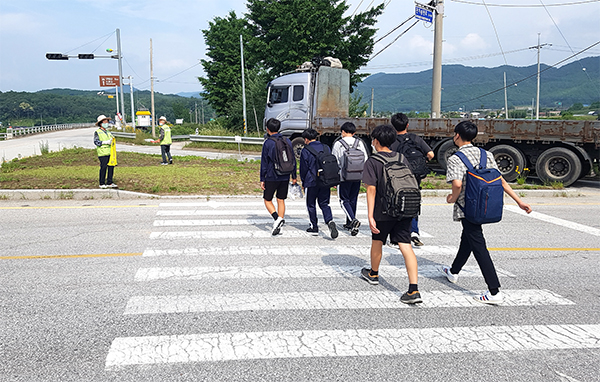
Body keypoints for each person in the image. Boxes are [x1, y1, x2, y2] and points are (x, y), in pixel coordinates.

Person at [443, 121, 532, 304]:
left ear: (457, 135)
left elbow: (457, 184)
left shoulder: (455, 158)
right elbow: (500, 180)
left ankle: (494, 291)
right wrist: (519, 201)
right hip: (484, 205)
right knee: (468, 239)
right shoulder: (487, 155)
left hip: (467, 208)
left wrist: (452, 198)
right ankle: (453, 271)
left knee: (478, 245)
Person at [360, 124, 422, 304]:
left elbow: (371, 190)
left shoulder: (373, 161)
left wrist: (370, 215)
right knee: (405, 245)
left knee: (377, 241)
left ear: (376, 141)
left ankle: (373, 273)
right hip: (404, 209)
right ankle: (413, 289)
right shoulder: (401, 157)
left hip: (383, 211)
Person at [390, 112, 434, 246]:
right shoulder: (415, 138)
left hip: (398, 177)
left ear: (393, 126)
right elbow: (431, 154)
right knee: (413, 202)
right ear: (407, 125)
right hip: (415, 177)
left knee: (397, 204)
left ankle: (398, 235)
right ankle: (414, 231)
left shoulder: (391, 141)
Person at [260, 118, 297, 235]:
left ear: (267, 128)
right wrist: (294, 175)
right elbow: (293, 159)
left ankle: (277, 219)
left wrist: (262, 178)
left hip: (272, 175)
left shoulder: (268, 142)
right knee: (281, 199)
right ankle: (279, 225)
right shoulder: (288, 141)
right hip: (285, 175)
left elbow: (264, 162)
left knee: (267, 199)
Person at [299, 128, 339, 239]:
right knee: (324, 203)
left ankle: (314, 226)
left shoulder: (306, 150)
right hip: (325, 181)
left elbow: (303, 168)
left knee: (311, 204)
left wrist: (303, 181)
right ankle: (329, 220)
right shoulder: (326, 148)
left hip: (311, 181)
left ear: (306, 139)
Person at [331, 122, 368, 236]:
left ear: (342, 131)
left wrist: (334, 178)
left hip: (344, 176)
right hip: (357, 176)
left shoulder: (339, 144)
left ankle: (352, 220)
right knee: (353, 199)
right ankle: (349, 224)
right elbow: (365, 159)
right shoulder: (359, 143)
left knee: (343, 200)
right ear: (354, 132)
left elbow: (334, 161)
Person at [93, 115, 117, 189]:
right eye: (105, 121)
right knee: (103, 167)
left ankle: (109, 182)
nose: (106, 123)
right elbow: (96, 142)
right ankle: (102, 183)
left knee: (111, 167)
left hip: (110, 152)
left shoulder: (108, 132)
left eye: (107, 121)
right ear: (101, 123)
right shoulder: (97, 132)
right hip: (103, 153)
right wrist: (105, 142)